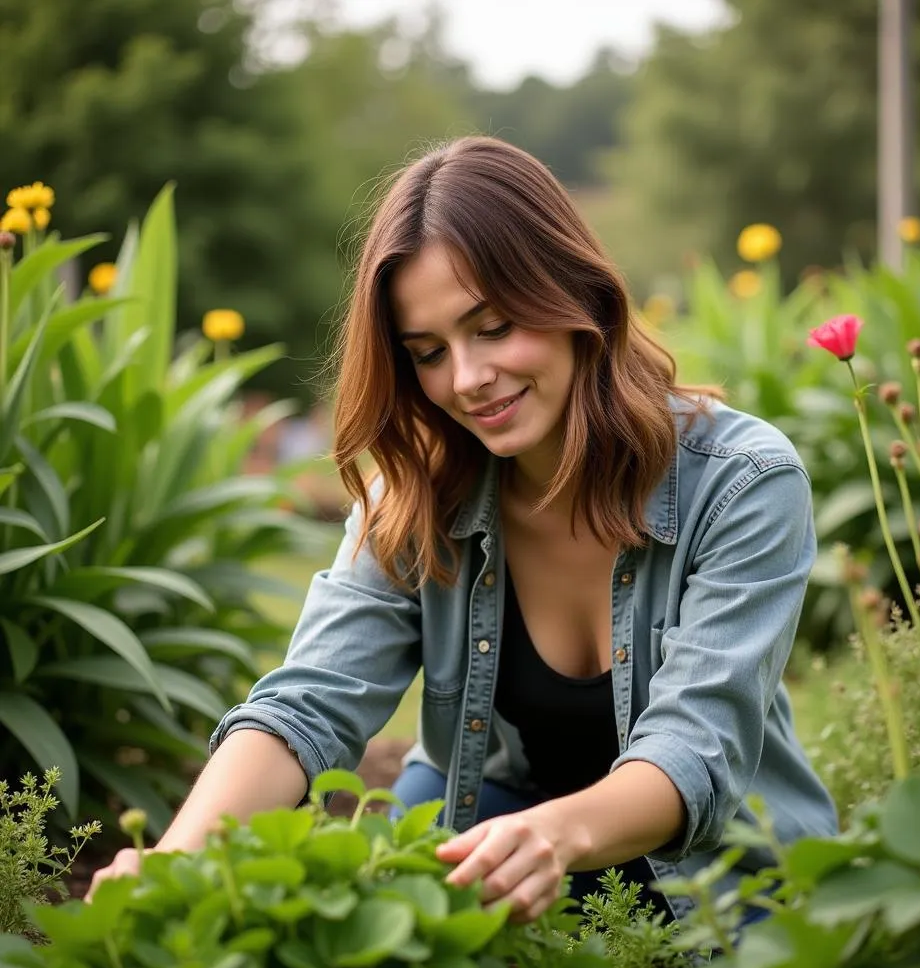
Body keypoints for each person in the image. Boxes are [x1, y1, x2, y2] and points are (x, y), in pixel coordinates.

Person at [87, 136, 837, 923]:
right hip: (486, 816)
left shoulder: (743, 479)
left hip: (713, 866)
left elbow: (695, 749)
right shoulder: (418, 490)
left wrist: (552, 838)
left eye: (493, 326)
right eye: (428, 352)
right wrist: (173, 862)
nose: (467, 379)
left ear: (574, 294)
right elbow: (311, 701)